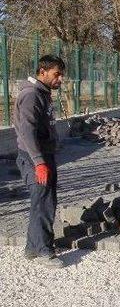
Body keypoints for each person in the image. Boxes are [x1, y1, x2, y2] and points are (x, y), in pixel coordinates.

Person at [13, 55, 66, 268]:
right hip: (35, 158)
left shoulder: (43, 93)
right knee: (43, 202)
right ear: (42, 72)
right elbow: (26, 131)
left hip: (43, 156)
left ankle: (33, 247)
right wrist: (39, 162)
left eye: (61, 75)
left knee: (43, 201)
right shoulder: (32, 95)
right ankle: (44, 251)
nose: (60, 79)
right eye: (56, 74)